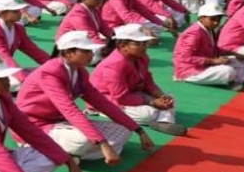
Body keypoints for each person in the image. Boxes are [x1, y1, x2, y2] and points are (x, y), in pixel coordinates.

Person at [16, 31, 156, 163]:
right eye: (86, 51)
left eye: (90, 51)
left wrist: (139, 130)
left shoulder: (80, 72)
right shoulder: (49, 73)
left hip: (59, 122)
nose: (91, 55)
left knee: (124, 130)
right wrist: (102, 143)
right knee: (83, 139)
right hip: (35, 126)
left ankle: (70, 155)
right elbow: (69, 110)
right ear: (69, 52)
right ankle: (38, 146)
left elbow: (102, 103)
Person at [91, 24, 187, 136]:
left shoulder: (142, 57)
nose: (144, 46)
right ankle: (162, 118)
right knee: (148, 114)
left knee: (169, 100)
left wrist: (160, 96)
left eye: (144, 43)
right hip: (108, 99)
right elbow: (121, 97)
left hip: (132, 93)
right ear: (123, 46)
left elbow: (148, 81)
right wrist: (152, 102)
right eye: (138, 44)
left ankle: (164, 122)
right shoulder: (114, 65)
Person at [0, 0, 52, 91]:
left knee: (46, 73)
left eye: (19, 10)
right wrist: (23, 79)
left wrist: (54, 64)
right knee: (19, 82)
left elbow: (34, 50)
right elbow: (4, 57)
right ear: (2, 13)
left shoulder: (19, 28)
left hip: (4, 68)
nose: (20, 13)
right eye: (15, 11)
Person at [172, 4, 244, 88]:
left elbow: (213, 48)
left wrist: (235, 54)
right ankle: (234, 80)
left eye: (218, 19)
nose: (216, 22)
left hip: (204, 65)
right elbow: (185, 57)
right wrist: (213, 61)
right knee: (227, 71)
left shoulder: (207, 29)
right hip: (188, 70)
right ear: (201, 18)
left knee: (240, 60)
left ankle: (237, 81)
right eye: (212, 19)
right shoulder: (194, 33)